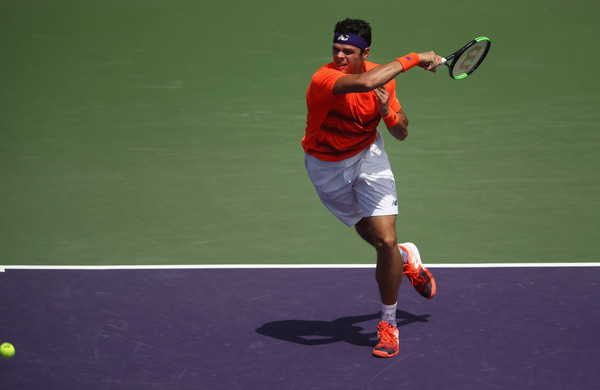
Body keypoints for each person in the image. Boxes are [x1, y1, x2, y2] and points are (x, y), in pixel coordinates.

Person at [302, 18, 442, 358]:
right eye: (336, 50)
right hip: (326, 167)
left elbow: (402, 132)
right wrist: (416, 57)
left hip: (368, 158)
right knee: (371, 236)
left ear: (365, 53)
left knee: (385, 241)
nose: (339, 57)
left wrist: (387, 113)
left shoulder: (384, 80)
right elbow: (365, 81)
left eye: (348, 52)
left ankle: (388, 323)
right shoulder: (325, 78)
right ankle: (406, 258)